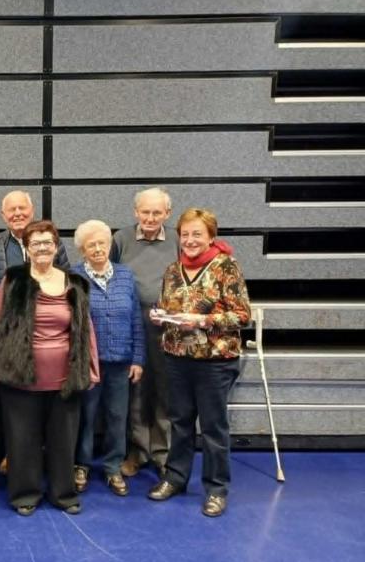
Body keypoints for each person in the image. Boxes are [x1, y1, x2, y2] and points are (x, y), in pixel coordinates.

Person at [0, 220, 99, 516]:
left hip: (65, 376)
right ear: (27, 248)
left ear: (56, 246)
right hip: (20, 376)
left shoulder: (74, 283)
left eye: (47, 242)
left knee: (64, 440)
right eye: (35, 243)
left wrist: (91, 367)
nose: (42, 248)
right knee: (22, 439)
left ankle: (63, 494)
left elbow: (86, 329)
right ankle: (25, 494)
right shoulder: (13, 279)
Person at [147, 208, 251, 517]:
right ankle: (175, 478)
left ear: (211, 237)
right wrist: (160, 315)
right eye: (185, 234)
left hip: (215, 361)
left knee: (213, 427)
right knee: (179, 422)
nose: (190, 240)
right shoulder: (172, 269)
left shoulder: (226, 266)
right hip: (177, 358)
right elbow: (168, 306)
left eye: (197, 234)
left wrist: (202, 321)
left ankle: (216, 489)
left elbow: (242, 315)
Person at [72, 220, 145, 498]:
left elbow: (136, 318)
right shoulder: (74, 276)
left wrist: (138, 358)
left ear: (109, 244)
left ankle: (113, 466)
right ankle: (81, 465)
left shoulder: (125, 275)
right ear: (82, 250)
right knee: (86, 417)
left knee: (117, 417)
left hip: (121, 362)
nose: (97, 249)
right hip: (88, 363)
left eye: (102, 243)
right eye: (91, 245)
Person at [111, 187, 178, 478]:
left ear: (167, 213)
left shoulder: (178, 239)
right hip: (130, 327)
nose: (150, 218)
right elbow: (110, 275)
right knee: (135, 391)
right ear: (135, 212)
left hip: (168, 329)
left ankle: (163, 454)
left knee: (165, 392)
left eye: (157, 213)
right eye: (145, 212)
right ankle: (137, 452)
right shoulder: (120, 239)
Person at [0, 190, 69, 282]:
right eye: (12, 210)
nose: (17, 214)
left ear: (32, 210)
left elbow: (67, 278)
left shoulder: (52, 241)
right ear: (3, 215)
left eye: (22, 208)